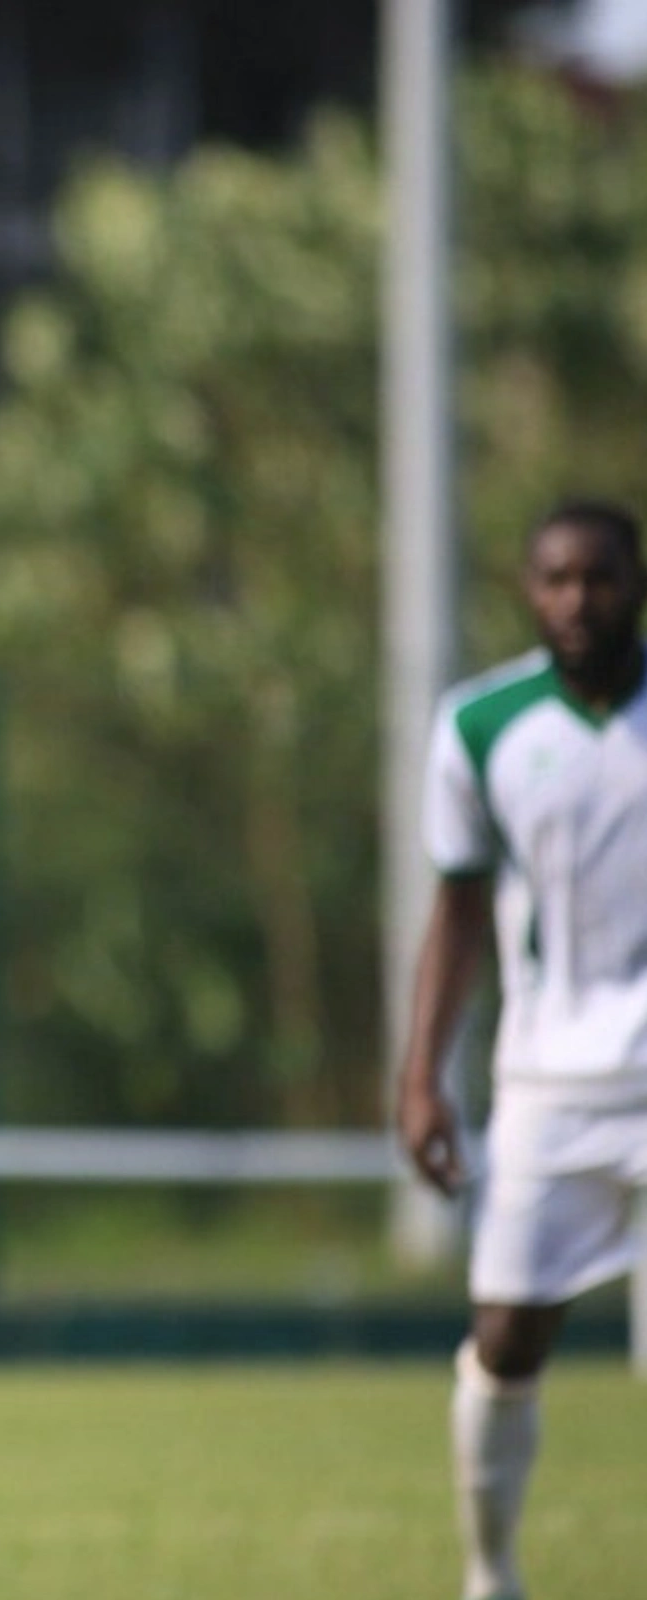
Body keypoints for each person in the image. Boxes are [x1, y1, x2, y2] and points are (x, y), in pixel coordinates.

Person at [395, 498, 647, 1600]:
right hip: (548, 1083)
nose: (577, 598)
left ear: (635, 582)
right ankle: (491, 1573)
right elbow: (455, 911)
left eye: (598, 577)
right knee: (504, 1340)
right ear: (527, 589)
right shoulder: (484, 725)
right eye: (555, 578)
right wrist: (420, 1078)